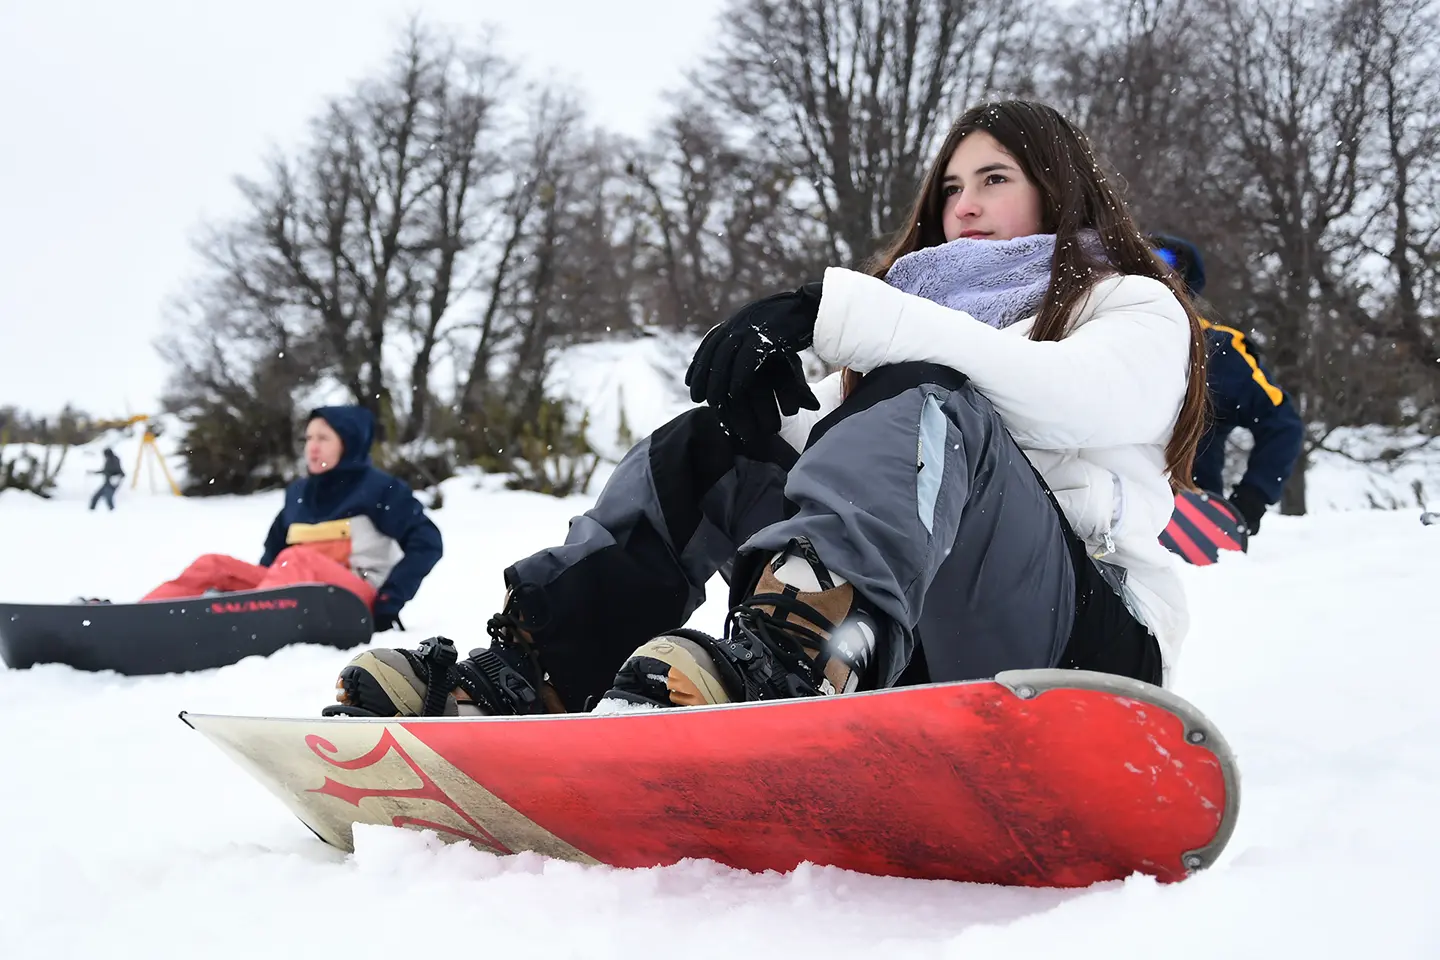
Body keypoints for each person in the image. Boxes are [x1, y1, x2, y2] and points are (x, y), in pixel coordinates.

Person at [325, 99, 1208, 719]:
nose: (964, 205)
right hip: (918, 642)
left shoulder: (1127, 304)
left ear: (1056, 188)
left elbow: (1062, 407)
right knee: (717, 446)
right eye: (949, 186)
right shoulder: (913, 330)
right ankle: (539, 666)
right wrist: (762, 421)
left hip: (1086, 655)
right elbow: (845, 469)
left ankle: (795, 657)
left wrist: (839, 314)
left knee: (928, 394)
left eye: (994, 178)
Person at [141, 406, 442, 632]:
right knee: (214, 564)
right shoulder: (299, 493)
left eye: (323, 438)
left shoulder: (380, 489)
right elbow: (273, 556)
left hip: (355, 600)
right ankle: (143, 618)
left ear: (348, 442)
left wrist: (389, 601)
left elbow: (427, 542)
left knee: (298, 558)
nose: (312, 446)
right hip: (290, 597)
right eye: (309, 437)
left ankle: (243, 626)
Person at [1147, 234, 1303, 534]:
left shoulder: (1218, 350)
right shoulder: (1089, 336)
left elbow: (1282, 424)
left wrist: (1252, 498)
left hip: (1188, 532)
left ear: (1185, 287)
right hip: (1096, 521)